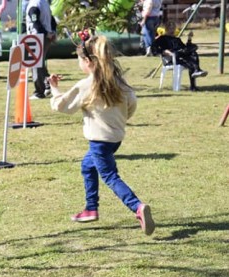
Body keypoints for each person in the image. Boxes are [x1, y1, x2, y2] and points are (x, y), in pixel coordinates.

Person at [48, 32, 155, 235]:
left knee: (110, 176)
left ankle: (137, 207)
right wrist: (120, 120)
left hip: (99, 141)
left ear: (88, 61)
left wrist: (54, 88)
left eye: (79, 60)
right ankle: (91, 208)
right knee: (87, 166)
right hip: (115, 139)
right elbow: (131, 104)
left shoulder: (87, 85)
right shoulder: (119, 81)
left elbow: (62, 106)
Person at [26, 0, 56, 99]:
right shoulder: (44, 3)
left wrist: (47, 33)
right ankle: (48, 84)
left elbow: (35, 22)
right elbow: (52, 19)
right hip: (46, 36)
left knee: (35, 65)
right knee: (40, 63)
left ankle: (39, 92)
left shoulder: (34, 4)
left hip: (37, 37)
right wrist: (52, 32)